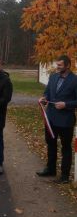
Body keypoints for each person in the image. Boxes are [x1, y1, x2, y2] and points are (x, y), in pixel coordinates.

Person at [36, 55, 77, 183]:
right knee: (51, 144)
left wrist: (66, 104)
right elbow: (47, 92)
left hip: (66, 120)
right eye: (56, 64)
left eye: (59, 65)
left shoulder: (75, 80)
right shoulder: (53, 77)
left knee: (65, 147)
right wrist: (44, 98)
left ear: (67, 65)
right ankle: (51, 169)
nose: (57, 67)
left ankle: (65, 176)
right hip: (51, 119)